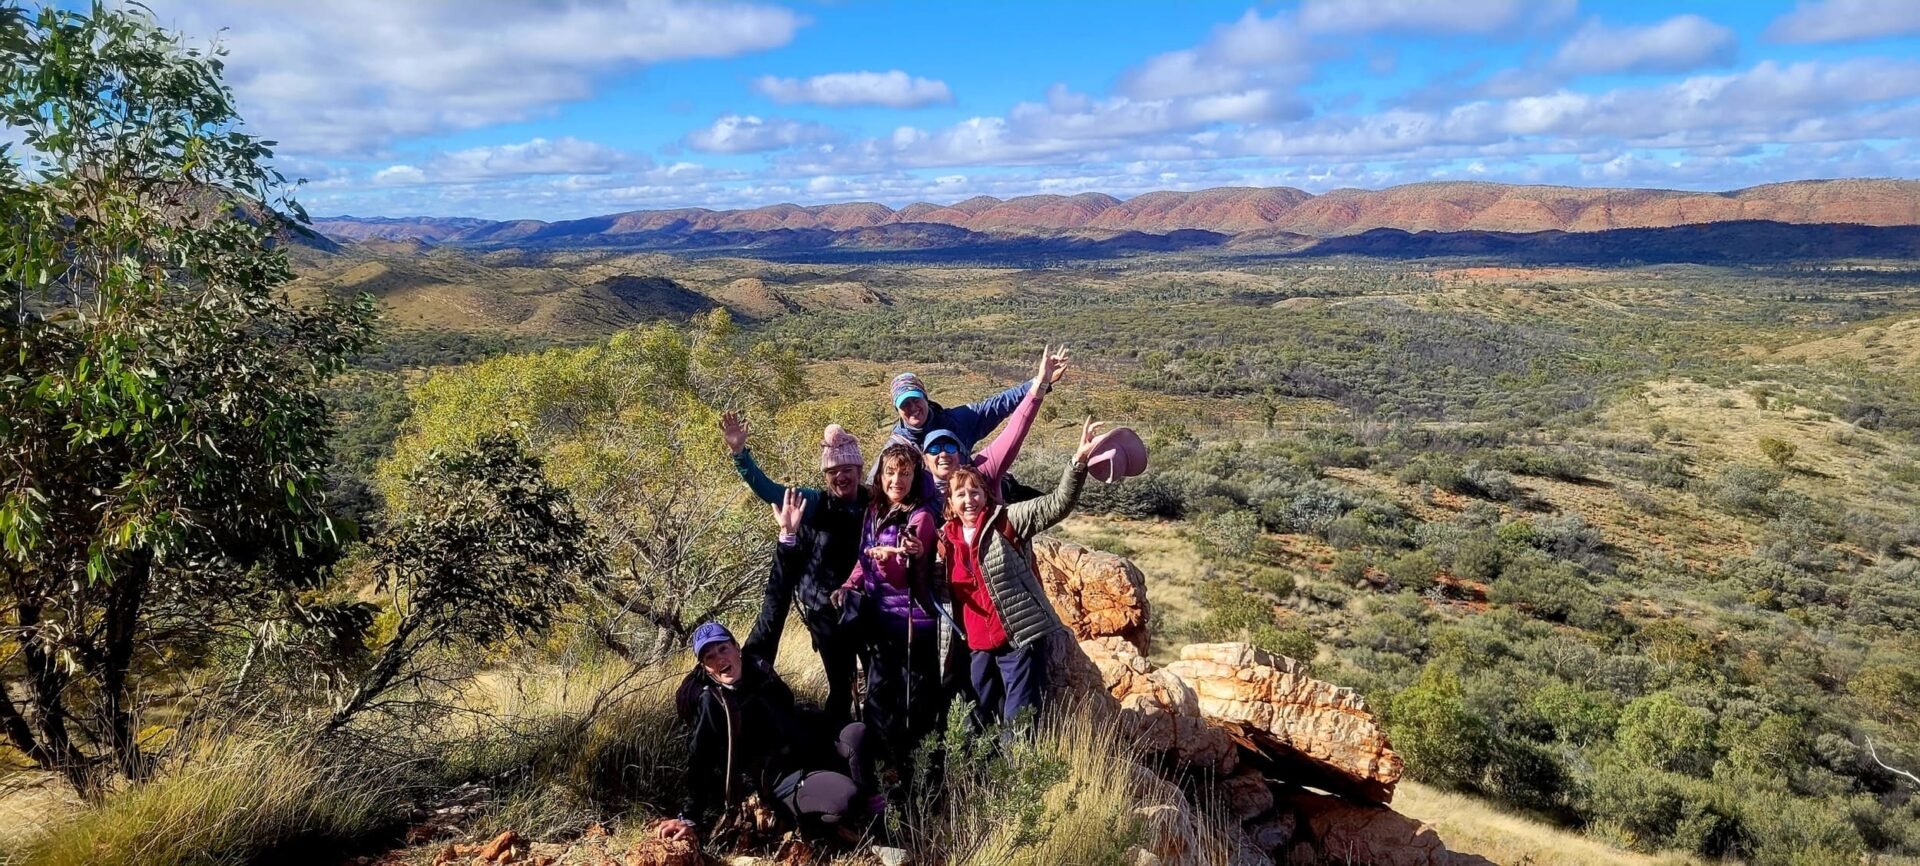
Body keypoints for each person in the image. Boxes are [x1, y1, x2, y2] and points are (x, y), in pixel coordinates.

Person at [654, 492, 878, 847]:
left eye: (723, 649)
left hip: (811, 743)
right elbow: (699, 760)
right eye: (709, 657)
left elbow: (775, 600)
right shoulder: (716, 704)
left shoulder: (756, 659)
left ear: (736, 648)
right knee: (843, 797)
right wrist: (690, 816)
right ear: (706, 668)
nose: (719, 660)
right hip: (784, 778)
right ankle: (821, 826)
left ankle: (872, 812)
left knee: (857, 735)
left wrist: (787, 539)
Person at [939, 419, 1105, 734]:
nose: (970, 499)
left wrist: (1078, 462)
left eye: (975, 491)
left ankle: (1016, 777)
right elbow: (936, 582)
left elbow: (1057, 504)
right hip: (977, 644)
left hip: (1018, 638)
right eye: (960, 494)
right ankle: (978, 777)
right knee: (979, 715)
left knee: (1019, 722)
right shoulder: (945, 539)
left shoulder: (1008, 520)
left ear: (986, 496)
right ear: (950, 503)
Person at [721, 416, 868, 725]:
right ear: (826, 476)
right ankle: (836, 748)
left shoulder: (872, 500)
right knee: (841, 685)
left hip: (868, 606)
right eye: (833, 471)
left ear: (859, 470)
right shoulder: (816, 503)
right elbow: (772, 492)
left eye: (847, 470)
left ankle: (879, 747)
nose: (841, 477)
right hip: (826, 612)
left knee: (878, 679)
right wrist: (740, 455)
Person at [832, 441, 943, 773]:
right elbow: (864, 558)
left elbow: (900, 577)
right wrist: (850, 584)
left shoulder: (920, 516)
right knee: (879, 701)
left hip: (913, 627)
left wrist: (892, 559)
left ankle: (919, 774)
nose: (897, 480)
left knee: (914, 705)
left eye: (905, 474)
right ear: (880, 476)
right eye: (891, 472)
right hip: (882, 625)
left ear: (914, 478)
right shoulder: (873, 512)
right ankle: (883, 771)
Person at [922, 345, 1069, 502]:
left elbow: (1017, 427)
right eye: (934, 449)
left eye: (950, 447)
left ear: (960, 454)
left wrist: (1040, 384)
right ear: (925, 460)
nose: (943, 453)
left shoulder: (982, 473)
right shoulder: (919, 495)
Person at [887, 346, 1069, 454]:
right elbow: (877, 487)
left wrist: (1040, 382)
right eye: (904, 404)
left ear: (926, 398)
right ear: (897, 410)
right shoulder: (896, 446)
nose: (913, 407)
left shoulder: (957, 421)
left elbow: (999, 404)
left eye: (916, 400)